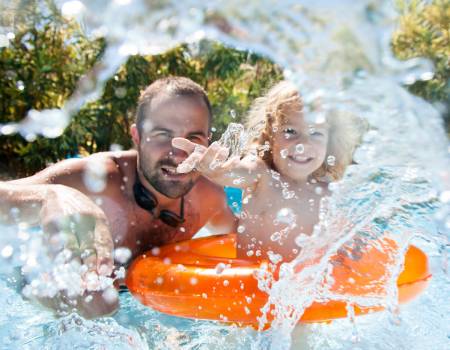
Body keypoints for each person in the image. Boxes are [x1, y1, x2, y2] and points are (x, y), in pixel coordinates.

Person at [0, 76, 237, 317]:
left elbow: (249, 242)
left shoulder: (210, 197)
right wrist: (50, 196)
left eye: (193, 138)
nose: (178, 154)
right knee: (98, 302)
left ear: (208, 142)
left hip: (143, 312)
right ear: (137, 137)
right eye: (163, 135)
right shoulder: (96, 180)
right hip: (30, 303)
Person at [173, 80, 366, 263]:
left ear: (330, 142)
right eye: (290, 131)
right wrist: (218, 170)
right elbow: (237, 172)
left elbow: (343, 246)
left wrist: (354, 245)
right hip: (251, 288)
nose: (302, 144)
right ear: (270, 135)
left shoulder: (329, 194)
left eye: (316, 133)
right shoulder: (262, 175)